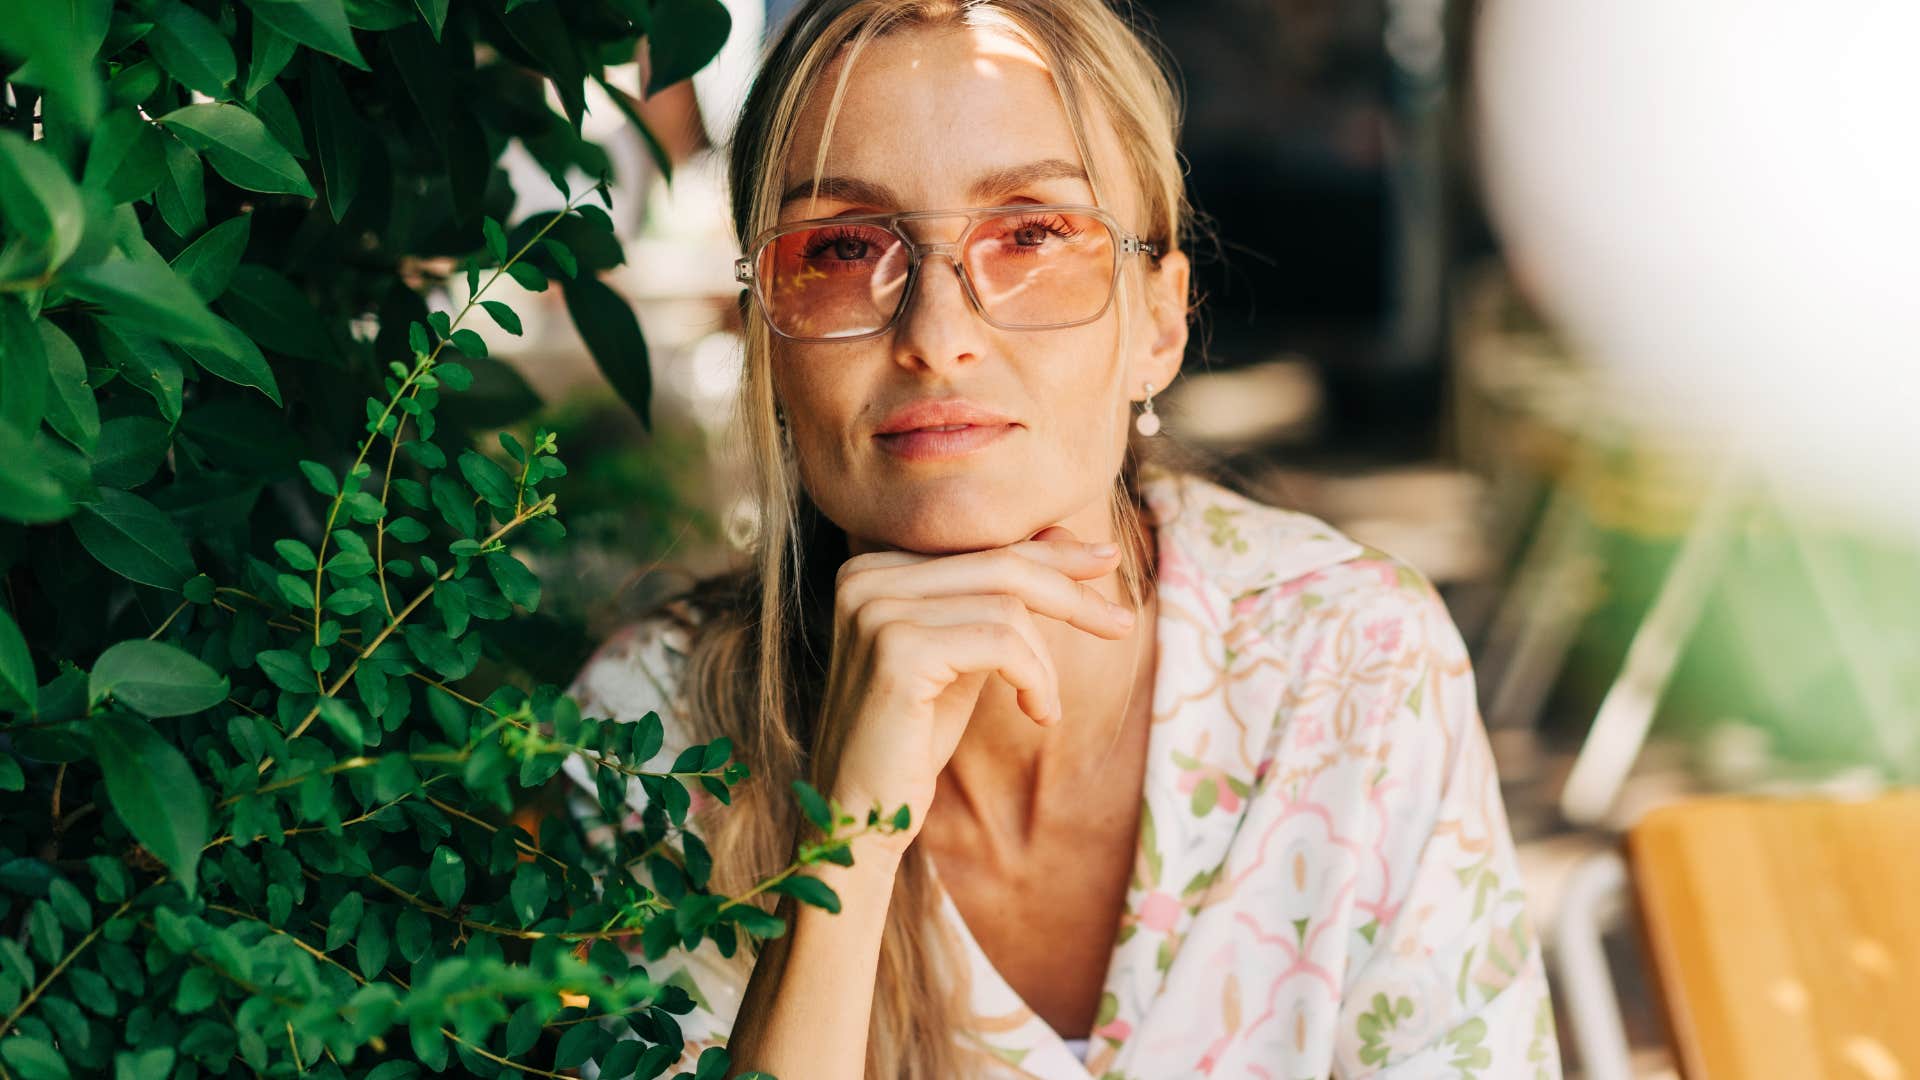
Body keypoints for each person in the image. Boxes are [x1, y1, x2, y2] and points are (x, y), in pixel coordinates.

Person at [561, 1, 1562, 1076]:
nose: (938, 338)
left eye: (1034, 233)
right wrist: (846, 847)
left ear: (1162, 322)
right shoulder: (652, 742)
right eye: (843, 247)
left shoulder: (1351, 663)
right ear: (764, 331)